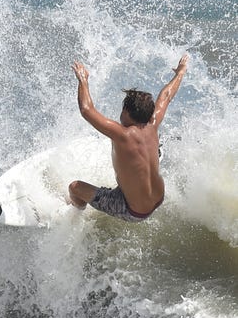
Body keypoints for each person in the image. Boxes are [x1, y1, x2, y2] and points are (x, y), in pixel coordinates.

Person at [67, 54, 189, 221]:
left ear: (129, 114)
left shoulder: (123, 135)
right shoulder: (152, 123)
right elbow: (166, 96)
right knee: (154, 151)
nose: (121, 114)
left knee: (75, 188)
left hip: (133, 210)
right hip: (158, 198)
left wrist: (83, 80)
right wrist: (180, 72)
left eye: (123, 110)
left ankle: (74, 214)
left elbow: (86, 110)